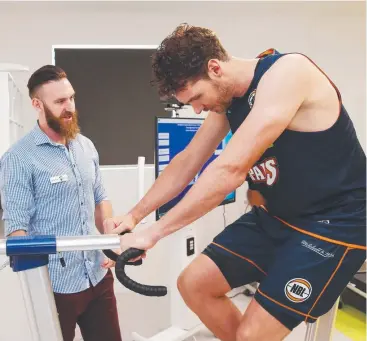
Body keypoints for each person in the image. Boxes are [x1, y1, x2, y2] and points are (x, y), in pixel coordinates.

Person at [105, 24, 366, 341]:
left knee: (251, 335)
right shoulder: (229, 102)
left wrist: (153, 234)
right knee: (193, 284)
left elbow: (230, 169)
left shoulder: (288, 73)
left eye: (196, 97)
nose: (197, 109)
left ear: (214, 68)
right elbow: (188, 161)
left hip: (333, 222)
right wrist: (135, 215)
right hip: (277, 217)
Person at [0, 65, 122, 341]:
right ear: (37, 104)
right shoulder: (18, 158)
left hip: (97, 274)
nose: (69, 107)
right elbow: (16, 227)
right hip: (55, 284)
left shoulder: (85, 146)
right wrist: (31, 291)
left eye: (71, 98)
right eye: (59, 102)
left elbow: (100, 198)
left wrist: (111, 241)